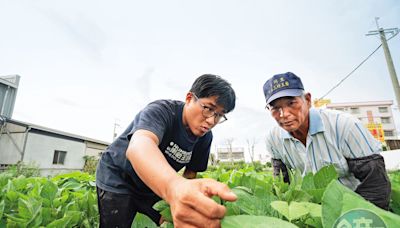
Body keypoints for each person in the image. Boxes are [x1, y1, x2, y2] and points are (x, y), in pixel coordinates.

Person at [96, 74, 237, 227]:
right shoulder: (162, 111)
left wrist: (187, 197)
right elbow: (140, 145)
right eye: (208, 109)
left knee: (172, 221)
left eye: (219, 115)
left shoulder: (204, 137)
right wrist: (174, 187)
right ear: (189, 98)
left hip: (152, 187)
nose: (211, 121)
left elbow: (190, 174)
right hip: (119, 178)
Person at [263, 72, 391, 210]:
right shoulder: (273, 139)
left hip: (354, 205)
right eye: (275, 108)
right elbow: (282, 183)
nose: (284, 114)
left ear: (307, 100)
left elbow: (375, 184)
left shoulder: (344, 126)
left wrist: (355, 219)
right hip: (313, 212)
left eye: (291, 103)